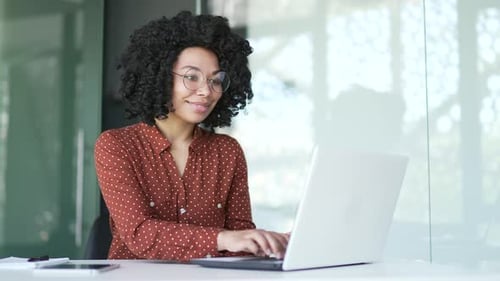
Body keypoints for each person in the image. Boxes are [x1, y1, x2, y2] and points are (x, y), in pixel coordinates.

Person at [94, 11, 289, 262]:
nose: (206, 91)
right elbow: (140, 234)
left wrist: (266, 243)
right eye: (191, 77)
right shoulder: (117, 146)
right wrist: (223, 238)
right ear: (160, 77)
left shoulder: (227, 151)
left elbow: (240, 239)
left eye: (215, 80)